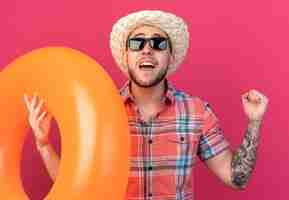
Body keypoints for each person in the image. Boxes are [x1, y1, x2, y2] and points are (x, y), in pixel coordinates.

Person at [23, 10, 269, 200]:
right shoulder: (101, 111)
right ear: (126, 56)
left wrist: (255, 122)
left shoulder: (197, 111)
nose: (148, 50)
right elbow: (79, 186)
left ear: (170, 57)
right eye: (137, 43)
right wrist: (43, 144)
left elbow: (237, 179)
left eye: (159, 44)